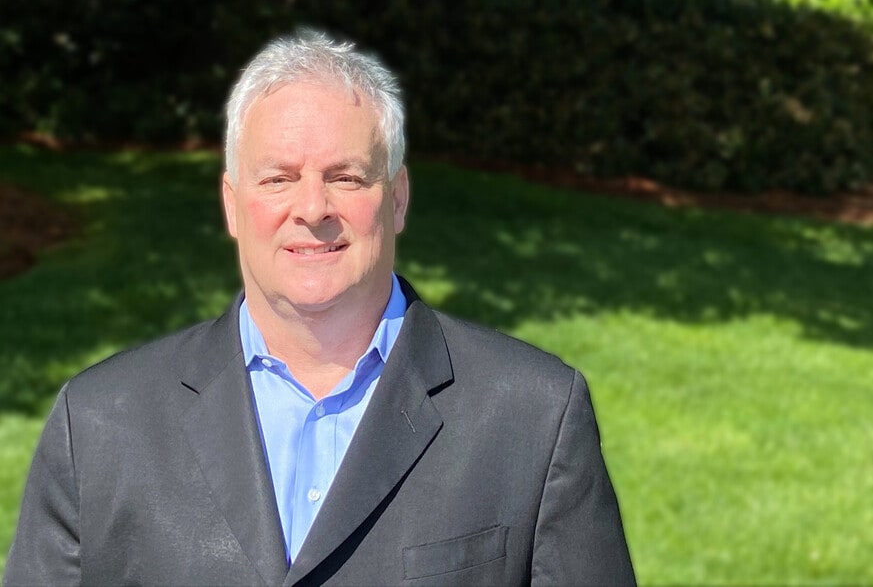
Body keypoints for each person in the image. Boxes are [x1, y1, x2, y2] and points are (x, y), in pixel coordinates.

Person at [4, 30, 635, 586]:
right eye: (278, 178)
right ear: (231, 203)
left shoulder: (535, 417)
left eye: (346, 177)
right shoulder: (97, 424)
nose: (312, 208)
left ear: (397, 198)